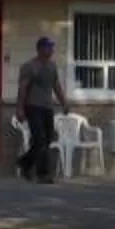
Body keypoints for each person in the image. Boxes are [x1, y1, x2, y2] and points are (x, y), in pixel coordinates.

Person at [15, 35, 71, 181]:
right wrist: (20, 109)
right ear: (40, 49)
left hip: (47, 107)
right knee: (39, 139)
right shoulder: (29, 66)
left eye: (52, 47)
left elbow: (56, 86)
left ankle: (25, 163)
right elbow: (22, 88)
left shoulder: (52, 66)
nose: (51, 49)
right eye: (48, 47)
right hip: (33, 106)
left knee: (47, 139)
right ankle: (43, 174)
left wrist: (64, 102)